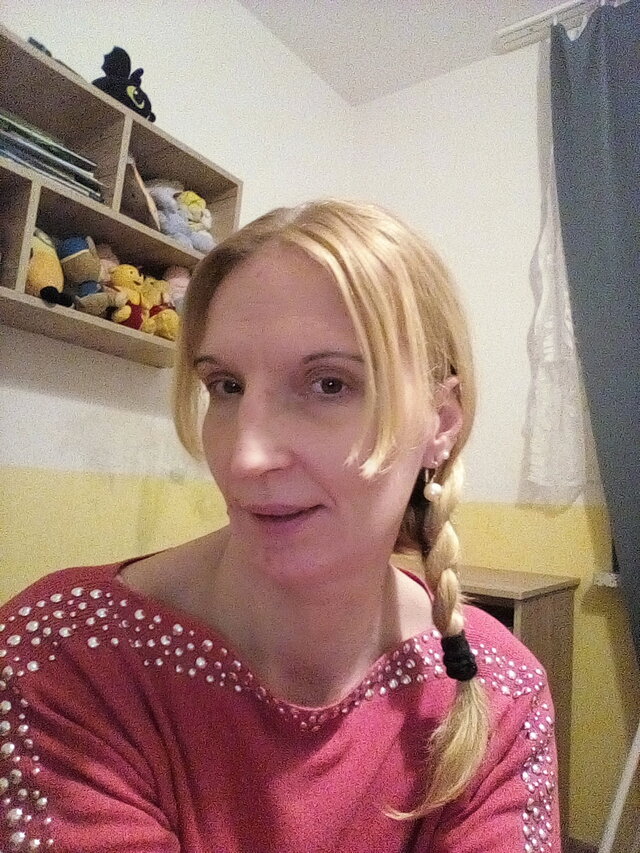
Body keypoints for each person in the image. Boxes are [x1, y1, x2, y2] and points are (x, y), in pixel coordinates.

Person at [0, 199, 560, 852]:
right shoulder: (64, 653)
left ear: (441, 421)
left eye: (329, 385)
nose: (245, 457)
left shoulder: (501, 691)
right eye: (227, 386)